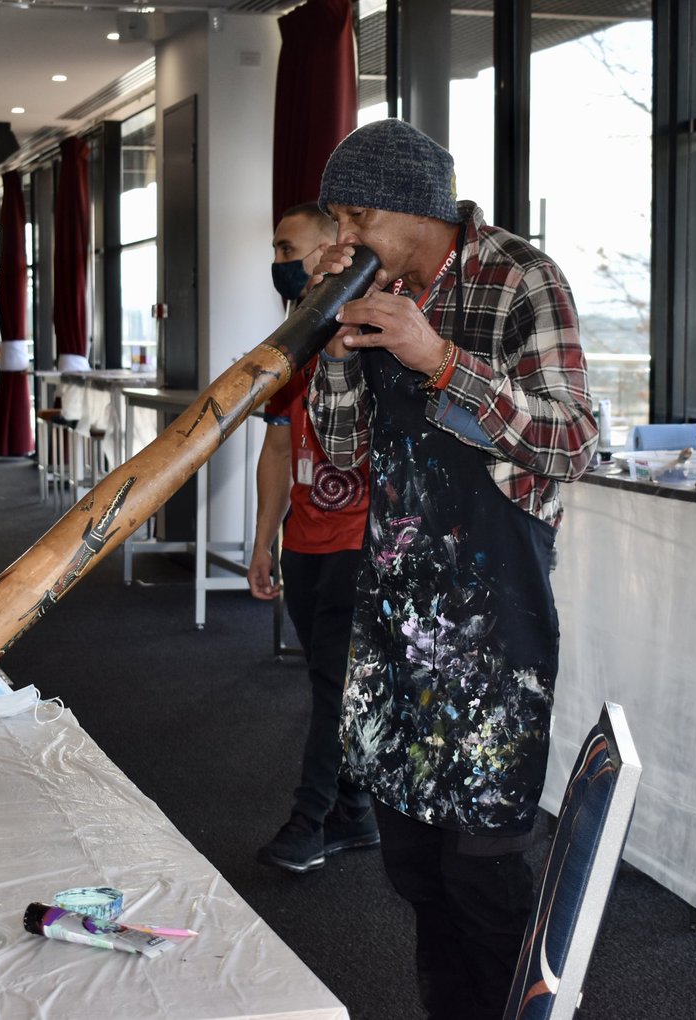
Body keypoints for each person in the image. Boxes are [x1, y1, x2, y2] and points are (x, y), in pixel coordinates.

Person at [306, 119, 597, 1019]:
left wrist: (438, 359)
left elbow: (576, 440)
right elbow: (343, 466)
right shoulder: (370, 282)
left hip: (494, 623)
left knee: (482, 870)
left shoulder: (521, 279)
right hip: (394, 617)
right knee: (414, 872)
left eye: (357, 218)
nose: (343, 240)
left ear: (418, 207)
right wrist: (336, 348)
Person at [249, 202, 378, 874]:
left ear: (335, 249)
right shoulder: (289, 344)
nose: (280, 261)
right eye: (274, 250)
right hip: (304, 541)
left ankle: (313, 818)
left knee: (335, 684)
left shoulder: (367, 328)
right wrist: (264, 538)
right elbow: (275, 450)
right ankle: (355, 814)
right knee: (329, 680)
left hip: (361, 540)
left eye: (288, 247)